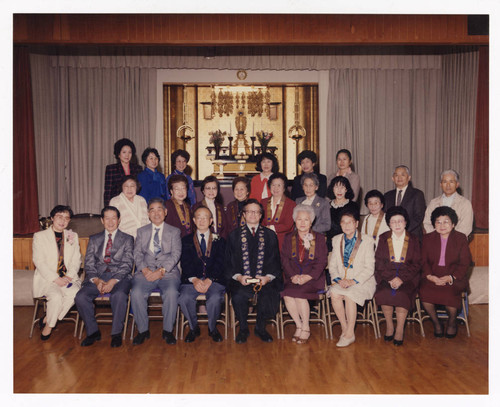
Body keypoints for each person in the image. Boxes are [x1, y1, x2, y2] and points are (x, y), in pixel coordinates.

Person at [75, 206, 134, 348]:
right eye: (107, 218)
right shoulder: (94, 239)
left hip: (120, 277)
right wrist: (96, 280)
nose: (110, 221)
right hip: (97, 277)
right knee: (80, 297)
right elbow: (88, 263)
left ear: (119, 220)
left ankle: (116, 333)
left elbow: (127, 265)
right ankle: (93, 332)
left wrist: (113, 281)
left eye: (114, 218)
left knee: (119, 295)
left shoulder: (128, 239)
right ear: (102, 220)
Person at [225, 199, 282, 343]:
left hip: (264, 280)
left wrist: (267, 278)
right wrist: (238, 277)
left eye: (256, 212)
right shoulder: (234, 235)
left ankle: (260, 328)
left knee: (268, 294)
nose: (253, 215)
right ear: (243, 214)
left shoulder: (270, 235)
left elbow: (275, 260)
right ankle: (243, 328)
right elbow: (229, 262)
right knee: (238, 296)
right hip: (241, 280)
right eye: (249, 211)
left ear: (261, 215)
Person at [130, 198, 182, 345]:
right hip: (145, 272)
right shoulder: (141, 231)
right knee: (136, 293)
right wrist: (145, 270)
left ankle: (167, 331)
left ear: (165, 212)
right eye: (152, 210)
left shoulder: (174, 231)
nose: (156, 213)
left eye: (159, 209)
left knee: (171, 293)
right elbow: (137, 253)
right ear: (148, 214)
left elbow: (176, 254)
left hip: (168, 272)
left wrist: (161, 271)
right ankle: (142, 330)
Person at [420, 206, 472, 338]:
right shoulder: (427, 238)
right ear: (434, 224)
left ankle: (452, 322)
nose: (442, 225)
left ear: (453, 224)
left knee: (450, 295)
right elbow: (423, 261)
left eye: (446, 221)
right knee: (425, 294)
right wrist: (430, 276)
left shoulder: (461, 238)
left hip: (454, 276)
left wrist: (451, 277)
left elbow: (465, 263)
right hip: (432, 275)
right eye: (438, 222)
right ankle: (436, 323)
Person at [32, 205, 81, 340]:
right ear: (52, 218)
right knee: (57, 297)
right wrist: (55, 278)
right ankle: (49, 328)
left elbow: (77, 259)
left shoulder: (73, 236)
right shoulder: (40, 236)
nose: (63, 221)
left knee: (75, 293)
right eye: (59, 217)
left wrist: (69, 276)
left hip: (67, 278)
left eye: (66, 218)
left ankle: (48, 319)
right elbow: (39, 261)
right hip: (47, 279)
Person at [374, 206, 421, 346]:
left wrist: (401, 278)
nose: (397, 224)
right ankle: (389, 326)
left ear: (406, 222)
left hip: (408, 276)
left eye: (400, 221)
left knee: (403, 295)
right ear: (389, 224)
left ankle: (400, 329)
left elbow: (417, 263)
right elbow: (379, 262)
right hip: (386, 275)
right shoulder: (383, 238)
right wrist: (390, 278)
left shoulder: (413, 239)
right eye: (393, 222)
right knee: (383, 293)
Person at [328, 210, 376, 347]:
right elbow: (332, 266)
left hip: (363, 280)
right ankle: (346, 328)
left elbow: (369, 268)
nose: (346, 225)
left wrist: (353, 281)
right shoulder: (336, 239)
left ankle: (349, 334)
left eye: (350, 222)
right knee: (334, 293)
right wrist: (338, 279)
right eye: (343, 222)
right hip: (342, 280)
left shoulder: (367, 240)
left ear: (356, 224)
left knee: (350, 295)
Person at [281, 205, 328, 344]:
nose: (302, 222)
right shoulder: (289, 237)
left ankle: (306, 327)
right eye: (299, 219)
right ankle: (299, 325)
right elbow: (284, 259)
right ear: (295, 220)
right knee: (288, 295)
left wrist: (307, 277)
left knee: (299, 295)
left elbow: (322, 261)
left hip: (313, 278)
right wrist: (292, 276)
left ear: (311, 221)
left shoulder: (319, 238)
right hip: (293, 277)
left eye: (306, 219)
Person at [179, 206, 226, 343]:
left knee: (215, 298)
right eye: (198, 217)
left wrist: (210, 280)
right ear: (194, 220)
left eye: (205, 217)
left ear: (211, 221)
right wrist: (194, 280)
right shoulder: (186, 240)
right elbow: (185, 262)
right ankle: (194, 327)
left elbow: (221, 263)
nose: (202, 220)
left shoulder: (220, 240)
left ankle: (213, 329)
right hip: (192, 280)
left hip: (214, 280)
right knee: (184, 298)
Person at [423, 169, 474, 238]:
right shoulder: (433, 203)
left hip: (456, 242)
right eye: (445, 182)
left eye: (451, 182)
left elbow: (466, 228)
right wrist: (437, 237)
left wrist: (448, 239)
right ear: (441, 184)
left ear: (457, 184)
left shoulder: (465, 203)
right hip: (436, 241)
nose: (448, 185)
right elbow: (427, 223)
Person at [384, 165, 426, 240]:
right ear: (393, 178)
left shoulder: (417, 194)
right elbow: (385, 216)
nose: (399, 178)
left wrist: (401, 230)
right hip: (392, 236)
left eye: (403, 175)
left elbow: (418, 217)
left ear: (409, 177)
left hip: (412, 236)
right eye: (396, 175)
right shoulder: (387, 196)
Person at [261, 172, 296, 249]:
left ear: (284, 188)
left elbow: (288, 225)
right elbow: (260, 221)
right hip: (265, 241)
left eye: (279, 185)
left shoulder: (291, 204)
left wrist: (270, 228)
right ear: (269, 186)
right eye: (273, 185)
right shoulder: (263, 202)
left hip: (283, 242)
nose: (276, 188)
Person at [104, 138, 142, 206]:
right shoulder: (111, 169)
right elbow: (108, 192)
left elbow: (139, 189)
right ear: (118, 154)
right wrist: (107, 208)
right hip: (118, 204)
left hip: (134, 203)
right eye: (124, 152)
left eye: (129, 152)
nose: (127, 155)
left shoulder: (138, 168)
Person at [325, 176, 359, 251]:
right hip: (330, 244)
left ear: (346, 189)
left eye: (342, 187)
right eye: (336, 187)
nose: (339, 191)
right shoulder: (326, 206)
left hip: (348, 243)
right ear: (332, 189)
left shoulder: (353, 205)